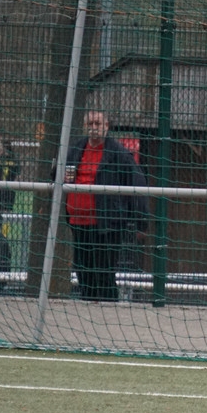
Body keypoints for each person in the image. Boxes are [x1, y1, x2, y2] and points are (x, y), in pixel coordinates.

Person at [64, 110, 148, 301]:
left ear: (106, 126)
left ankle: (108, 306)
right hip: (78, 222)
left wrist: (141, 221)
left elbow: (137, 185)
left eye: (98, 124)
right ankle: (88, 304)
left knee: (103, 272)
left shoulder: (119, 154)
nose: (94, 128)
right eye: (90, 124)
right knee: (83, 271)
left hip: (106, 224)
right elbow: (62, 173)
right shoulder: (76, 149)